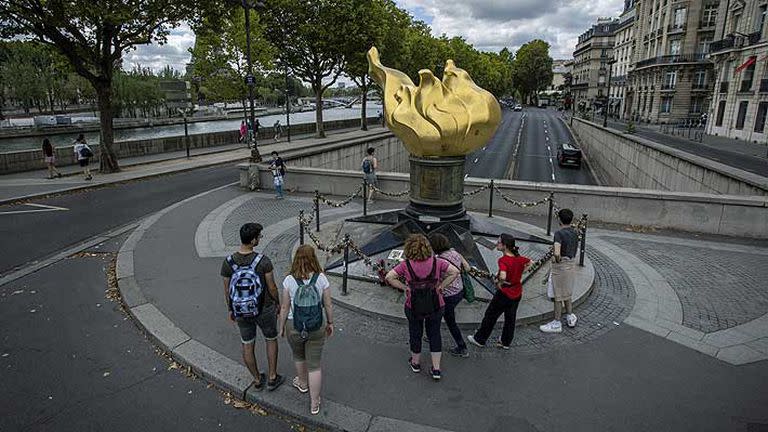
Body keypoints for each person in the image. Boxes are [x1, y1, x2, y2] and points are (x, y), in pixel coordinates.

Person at [385, 234, 459, 381]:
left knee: (415, 333)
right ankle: (436, 368)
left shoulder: (405, 265)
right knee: (434, 334)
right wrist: (441, 287)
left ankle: (415, 363)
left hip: (413, 305)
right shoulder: (437, 262)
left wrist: (405, 288)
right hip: (436, 304)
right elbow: (455, 272)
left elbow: (389, 277)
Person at [221, 223, 285, 392]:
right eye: (259, 236)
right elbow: (272, 287)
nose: (260, 238)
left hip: (240, 310)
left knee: (247, 344)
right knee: (271, 339)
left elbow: (227, 290)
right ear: (253, 240)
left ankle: (257, 379)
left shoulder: (228, 263)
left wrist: (231, 309)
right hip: (264, 308)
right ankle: (272, 377)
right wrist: (277, 303)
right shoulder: (263, 261)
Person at [278, 245, 334, 416]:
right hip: (317, 326)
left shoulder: (288, 280)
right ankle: (314, 403)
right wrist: (330, 323)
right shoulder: (321, 278)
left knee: (299, 356)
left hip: (294, 325)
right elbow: (328, 304)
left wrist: (281, 327)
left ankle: (302, 383)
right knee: (315, 366)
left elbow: (285, 306)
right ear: (313, 258)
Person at [467, 233, 531, 350]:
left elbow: (502, 275)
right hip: (517, 292)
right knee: (510, 318)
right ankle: (506, 342)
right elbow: (530, 262)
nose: (497, 244)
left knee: (490, 315)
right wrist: (521, 273)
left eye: (499, 242)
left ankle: (479, 339)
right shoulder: (520, 258)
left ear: (505, 246)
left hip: (504, 293)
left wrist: (500, 283)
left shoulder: (503, 260)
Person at [428, 233, 471, 357]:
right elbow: (467, 268)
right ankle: (431, 334)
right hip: (459, 291)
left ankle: (462, 347)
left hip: (447, 295)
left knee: (450, 321)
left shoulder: (439, 260)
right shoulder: (455, 253)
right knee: (437, 313)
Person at [540, 209, 579, 333]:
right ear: (571, 219)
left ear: (559, 220)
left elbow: (557, 252)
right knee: (567, 293)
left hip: (561, 267)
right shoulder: (575, 232)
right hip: (571, 265)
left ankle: (556, 322)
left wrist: (556, 259)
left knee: (558, 295)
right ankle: (570, 316)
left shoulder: (559, 234)